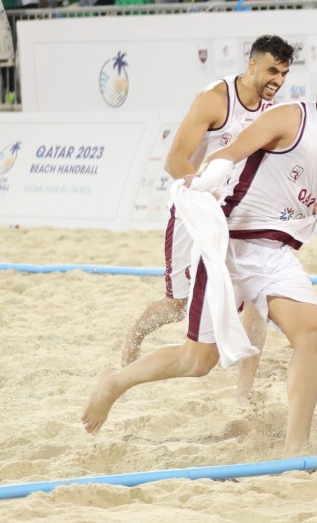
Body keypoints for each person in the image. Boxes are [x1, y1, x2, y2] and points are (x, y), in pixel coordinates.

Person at [84, 51, 317, 457]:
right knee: (198, 362)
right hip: (232, 249)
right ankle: (115, 382)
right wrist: (208, 182)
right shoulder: (291, 117)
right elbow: (227, 153)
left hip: (277, 255)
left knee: (314, 336)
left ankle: (295, 446)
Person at [119, 35, 296, 367]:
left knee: (257, 299)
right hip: (194, 212)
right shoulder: (215, 99)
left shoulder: (272, 112)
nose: (278, 81)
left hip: (235, 216)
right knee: (179, 306)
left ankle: (246, 386)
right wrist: (209, 197)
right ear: (252, 65)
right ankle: (133, 339)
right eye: (273, 71)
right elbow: (175, 161)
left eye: (284, 74)